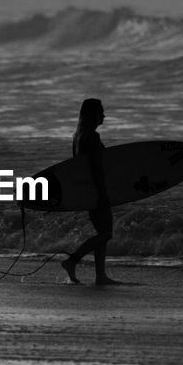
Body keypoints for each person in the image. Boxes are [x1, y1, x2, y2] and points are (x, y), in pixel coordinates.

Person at [61, 98, 120, 285]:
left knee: (102, 232)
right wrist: (102, 192)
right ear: (92, 114)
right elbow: (96, 168)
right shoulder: (92, 137)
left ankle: (100, 276)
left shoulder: (77, 136)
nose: (104, 115)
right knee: (106, 234)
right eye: (101, 111)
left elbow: (77, 167)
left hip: (87, 190)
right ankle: (72, 260)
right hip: (96, 190)